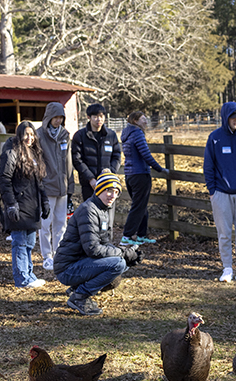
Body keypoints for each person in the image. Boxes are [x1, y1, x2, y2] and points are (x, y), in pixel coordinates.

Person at [53, 171, 141, 315]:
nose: (112, 196)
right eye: (109, 191)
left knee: (121, 265)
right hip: (67, 268)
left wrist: (129, 255)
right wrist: (123, 253)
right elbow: (93, 249)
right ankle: (79, 296)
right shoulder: (89, 210)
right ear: (99, 190)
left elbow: (105, 243)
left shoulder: (102, 209)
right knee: (118, 264)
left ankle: (77, 288)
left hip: (80, 263)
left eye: (116, 192)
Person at [203, 101, 236, 283]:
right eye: (232, 117)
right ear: (225, 117)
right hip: (221, 194)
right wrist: (213, 191)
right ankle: (227, 268)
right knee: (224, 233)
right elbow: (208, 166)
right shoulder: (215, 138)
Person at [0, 121, 50, 289]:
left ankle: (29, 274)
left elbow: (39, 183)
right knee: (19, 242)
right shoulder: (11, 153)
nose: (30, 138)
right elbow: (4, 179)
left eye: (32, 134)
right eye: (26, 134)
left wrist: (45, 201)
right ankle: (21, 278)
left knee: (29, 243)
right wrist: (11, 204)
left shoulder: (34, 154)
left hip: (32, 206)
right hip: (18, 205)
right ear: (19, 135)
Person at [119, 110, 166, 247]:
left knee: (141, 204)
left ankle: (141, 235)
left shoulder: (126, 133)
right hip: (140, 174)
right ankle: (127, 236)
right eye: (143, 119)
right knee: (138, 206)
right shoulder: (137, 133)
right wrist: (159, 168)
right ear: (135, 121)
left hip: (130, 175)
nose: (146, 121)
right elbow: (146, 154)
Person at [37, 102, 72, 271]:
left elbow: (69, 162)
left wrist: (70, 185)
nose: (58, 121)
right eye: (55, 117)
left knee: (61, 223)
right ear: (48, 117)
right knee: (45, 223)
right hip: (46, 187)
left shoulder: (65, 134)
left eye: (61, 118)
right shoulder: (39, 135)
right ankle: (46, 256)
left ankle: (58, 254)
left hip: (62, 187)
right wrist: (40, 182)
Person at [70, 103, 122, 202]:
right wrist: (90, 178)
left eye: (101, 116)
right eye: (95, 117)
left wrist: (111, 172)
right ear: (88, 117)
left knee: (107, 213)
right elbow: (77, 159)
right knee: (90, 211)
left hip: (108, 182)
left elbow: (117, 156)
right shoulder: (80, 135)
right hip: (89, 184)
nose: (99, 120)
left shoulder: (111, 135)